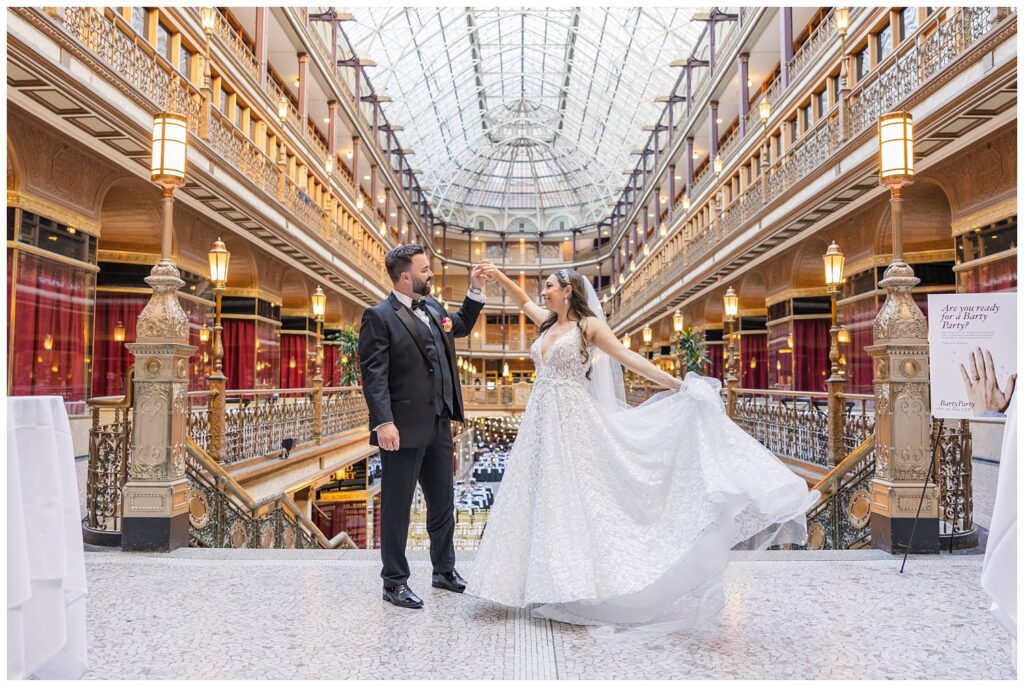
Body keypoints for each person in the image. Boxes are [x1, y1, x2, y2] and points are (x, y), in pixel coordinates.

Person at [467, 266, 818, 636]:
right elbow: (522, 300)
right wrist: (498, 275)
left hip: (573, 422)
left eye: (549, 287)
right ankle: (540, 581)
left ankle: (575, 586)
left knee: (573, 498)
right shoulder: (545, 325)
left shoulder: (587, 328)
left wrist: (675, 383)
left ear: (567, 291)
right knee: (542, 497)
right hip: (540, 422)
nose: (542, 293)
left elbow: (627, 357)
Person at [358, 244, 490, 609]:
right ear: (405, 276)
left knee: (442, 501)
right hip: (400, 428)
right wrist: (384, 421)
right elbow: (374, 376)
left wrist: (475, 290)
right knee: (398, 506)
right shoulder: (379, 317)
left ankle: (444, 571)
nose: (430, 274)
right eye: (425, 269)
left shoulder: (432, 308)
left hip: (439, 421)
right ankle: (394, 582)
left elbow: (458, 327)